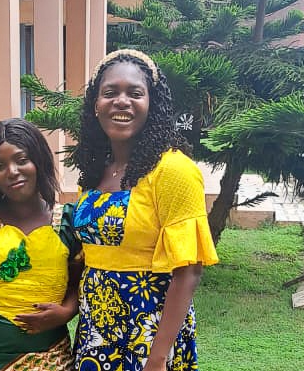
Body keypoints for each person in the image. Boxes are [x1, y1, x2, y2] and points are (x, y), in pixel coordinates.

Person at [71, 49, 219, 371]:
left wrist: (158, 355)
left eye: (135, 93)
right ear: (95, 105)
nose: (121, 101)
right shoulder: (96, 172)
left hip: (149, 330)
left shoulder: (173, 170)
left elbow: (189, 271)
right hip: (96, 329)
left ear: (152, 104)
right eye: (109, 92)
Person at [0, 118, 82, 371]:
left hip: (55, 357)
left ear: (39, 161)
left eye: (22, 160)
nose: (12, 171)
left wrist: (66, 312)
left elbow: (79, 284)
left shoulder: (67, 222)